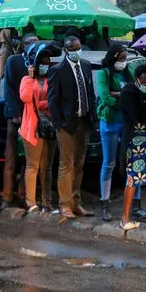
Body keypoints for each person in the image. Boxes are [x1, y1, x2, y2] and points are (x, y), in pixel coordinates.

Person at [48, 35, 97, 219]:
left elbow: (90, 93)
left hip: (84, 121)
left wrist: (92, 117)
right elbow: (52, 101)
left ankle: (76, 203)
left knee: (79, 164)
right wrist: (59, 124)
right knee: (66, 164)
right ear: (66, 50)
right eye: (73, 49)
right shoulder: (58, 70)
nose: (77, 51)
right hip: (67, 125)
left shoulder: (85, 65)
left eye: (79, 47)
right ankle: (64, 204)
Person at [97, 44, 145, 222]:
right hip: (109, 122)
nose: (123, 62)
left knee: (133, 161)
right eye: (121, 59)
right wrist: (124, 97)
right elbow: (105, 97)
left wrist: (119, 95)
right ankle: (105, 204)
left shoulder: (128, 73)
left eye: (125, 59)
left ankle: (136, 204)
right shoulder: (104, 73)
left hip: (127, 123)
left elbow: (137, 94)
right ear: (113, 58)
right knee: (108, 163)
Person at [118, 65, 146, 230]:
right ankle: (125, 218)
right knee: (133, 177)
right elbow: (138, 115)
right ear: (137, 79)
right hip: (134, 141)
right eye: (145, 80)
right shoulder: (128, 92)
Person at [0, 34, 40, 210]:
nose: (34, 46)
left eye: (37, 44)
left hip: (32, 117)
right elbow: (8, 88)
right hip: (15, 115)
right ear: (23, 45)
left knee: (28, 159)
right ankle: (7, 195)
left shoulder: (39, 62)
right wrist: (15, 113)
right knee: (11, 157)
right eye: (31, 43)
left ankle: (24, 194)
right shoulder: (13, 61)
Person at [19, 49, 57, 214]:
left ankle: (47, 202)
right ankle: (31, 202)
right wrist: (30, 77)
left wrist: (44, 103)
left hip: (50, 126)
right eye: (41, 63)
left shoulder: (53, 79)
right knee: (32, 166)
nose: (44, 66)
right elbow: (26, 98)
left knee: (47, 167)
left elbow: (56, 99)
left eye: (47, 63)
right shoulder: (26, 80)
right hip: (33, 127)